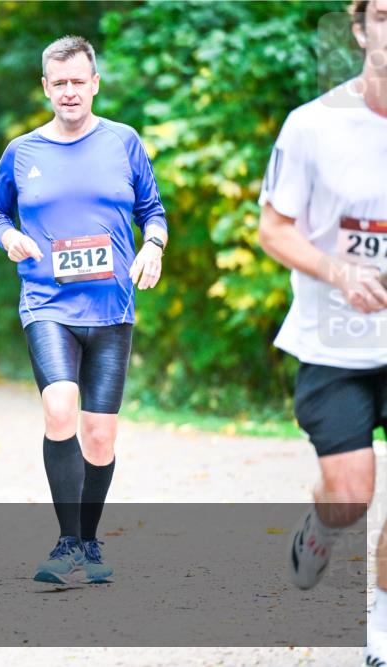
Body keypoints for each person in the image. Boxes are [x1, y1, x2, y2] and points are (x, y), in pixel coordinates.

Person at [0, 35, 168, 584]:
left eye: (77, 82)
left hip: (111, 306)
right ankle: (66, 543)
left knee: (100, 435)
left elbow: (152, 210)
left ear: (94, 84)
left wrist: (153, 245)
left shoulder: (124, 142)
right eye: (57, 82)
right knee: (60, 408)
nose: (68, 91)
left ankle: (89, 542)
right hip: (47, 302)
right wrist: (10, 237)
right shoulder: (22, 151)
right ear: (46, 87)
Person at [256, 1, 387, 662]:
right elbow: (273, 229)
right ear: (361, 28)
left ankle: (383, 627)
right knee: (351, 494)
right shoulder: (313, 127)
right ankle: (324, 526)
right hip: (333, 343)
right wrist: (338, 271)